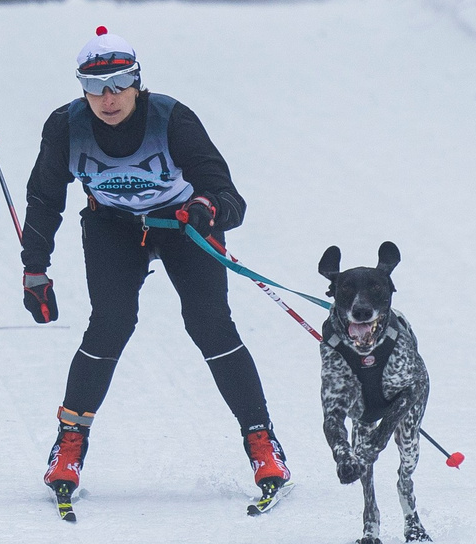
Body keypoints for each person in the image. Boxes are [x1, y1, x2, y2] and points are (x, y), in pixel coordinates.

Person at [19, 27, 290, 500]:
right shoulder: (66, 125)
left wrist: (208, 208)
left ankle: (261, 440)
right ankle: (69, 443)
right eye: (94, 86)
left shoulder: (172, 119)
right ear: (81, 88)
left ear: (138, 82)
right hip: (112, 227)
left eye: (120, 83)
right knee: (110, 323)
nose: (108, 98)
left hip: (182, 223)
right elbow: (44, 199)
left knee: (210, 324)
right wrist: (36, 270)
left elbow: (228, 194)